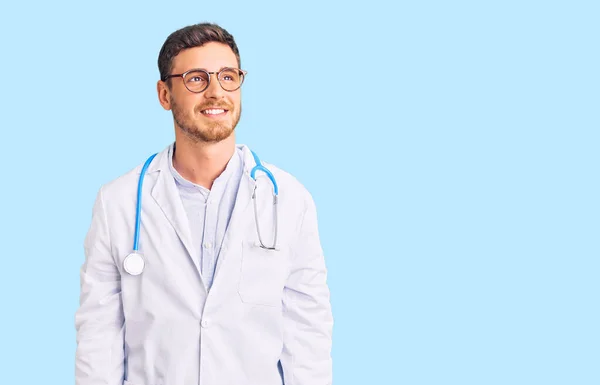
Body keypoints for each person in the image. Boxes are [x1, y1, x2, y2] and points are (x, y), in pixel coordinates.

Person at [74, 23, 333, 385]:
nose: (216, 92)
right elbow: (98, 340)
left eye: (228, 77)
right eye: (196, 79)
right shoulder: (118, 202)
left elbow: (309, 338)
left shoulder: (288, 200)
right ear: (165, 95)